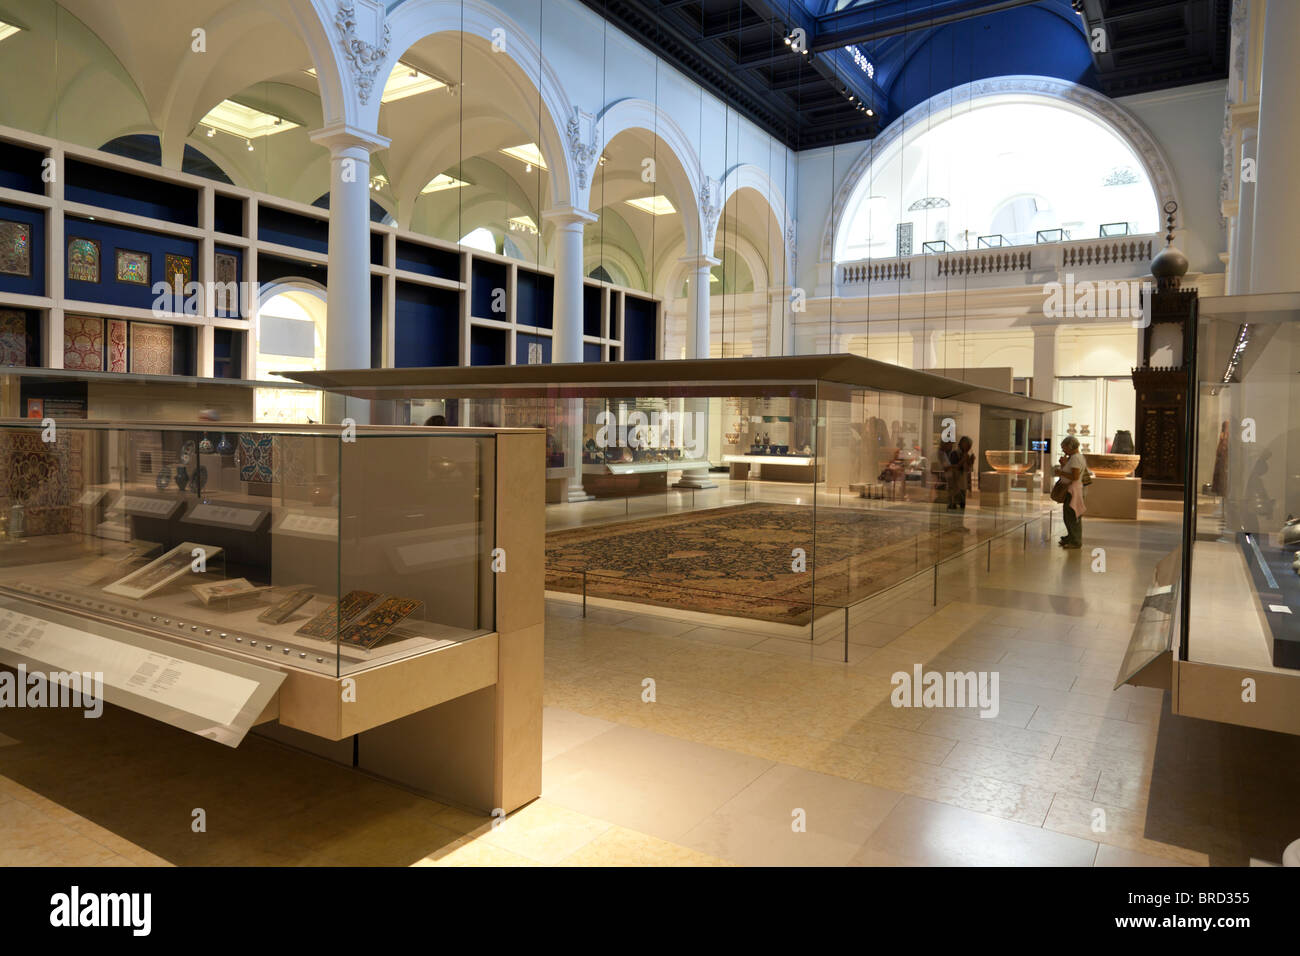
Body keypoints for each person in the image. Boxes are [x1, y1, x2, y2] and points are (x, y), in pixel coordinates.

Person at [1054, 435, 1087, 549]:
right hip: (1073, 489)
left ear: (1070, 446)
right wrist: (1064, 464)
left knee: (1071, 516)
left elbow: (1075, 476)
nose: (1063, 450)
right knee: (1069, 516)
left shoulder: (1075, 458)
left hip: (1073, 490)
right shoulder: (1076, 457)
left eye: (1064, 447)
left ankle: (1075, 540)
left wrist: (1060, 472)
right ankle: (1071, 537)